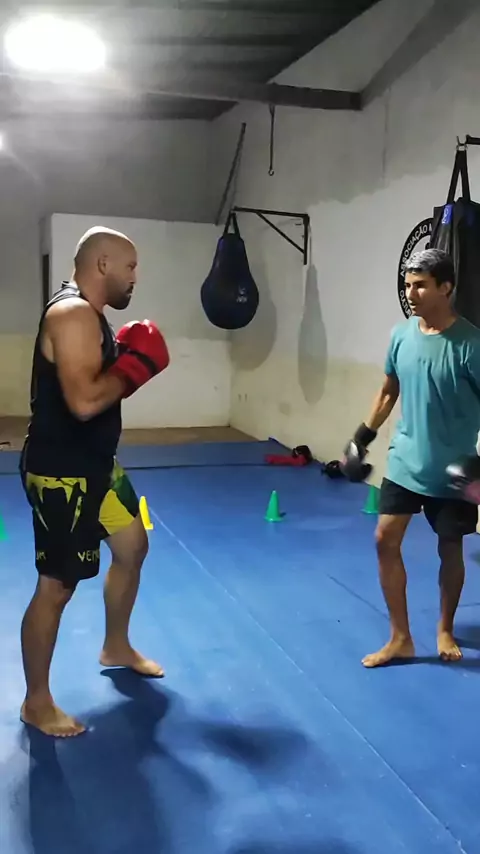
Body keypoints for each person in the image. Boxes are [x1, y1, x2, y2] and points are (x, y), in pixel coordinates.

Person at [19, 226, 170, 737]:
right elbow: (84, 402)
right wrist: (137, 367)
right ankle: (36, 702)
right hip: (62, 474)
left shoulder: (93, 316)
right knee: (57, 587)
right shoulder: (73, 315)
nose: (135, 277)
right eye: (130, 266)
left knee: (133, 546)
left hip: (97, 466)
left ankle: (116, 645)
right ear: (103, 264)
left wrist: (122, 362)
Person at [342, 248, 480, 668]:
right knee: (384, 539)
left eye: (420, 285)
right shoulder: (401, 335)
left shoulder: (471, 344)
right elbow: (388, 391)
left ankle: (444, 628)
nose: (411, 293)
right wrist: (360, 439)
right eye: (407, 285)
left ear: (446, 287)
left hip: (454, 470)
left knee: (450, 548)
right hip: (405, 461)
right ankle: (400, 638)